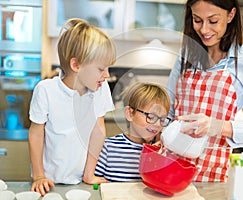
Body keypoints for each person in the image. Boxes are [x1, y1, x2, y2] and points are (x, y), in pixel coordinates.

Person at [166, 0, 243, 182]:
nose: (204, 30)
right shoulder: (186, 56)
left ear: (231, 15)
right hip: (170, 170)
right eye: (197, 20)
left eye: (213, 21)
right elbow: (168, 112)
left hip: (212, 177)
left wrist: (219, 126)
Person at [28, 18, 116, 195]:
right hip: (48, 180)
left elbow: (98, 131)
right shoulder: (46, 90)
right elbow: (36, 134)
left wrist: (89, 174)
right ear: (76, 65)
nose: (107, 75)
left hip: (81, 180)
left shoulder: (100, 89)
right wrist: (39, 176)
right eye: (101, 69)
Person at [94, 82, 171, 182]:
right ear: (130, 114)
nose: (157, 124)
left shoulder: (161, 152)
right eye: (151, 117)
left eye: (162, 119)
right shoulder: (107, 148)